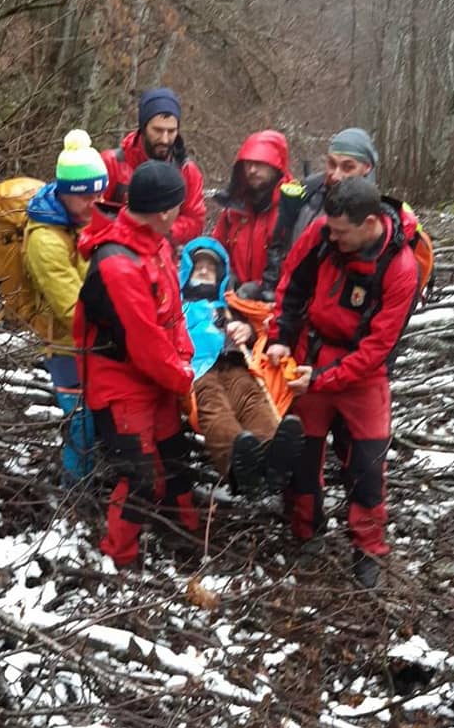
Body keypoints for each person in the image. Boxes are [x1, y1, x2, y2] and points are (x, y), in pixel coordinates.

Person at [267, 177, 419, 589]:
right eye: (329, 229)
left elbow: (377, 350)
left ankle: (368, 547)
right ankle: (304, 529)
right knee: (304, 451)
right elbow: (291, 287)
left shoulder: (401, 268)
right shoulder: (321, 237)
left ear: (369, 223)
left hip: (362, 375)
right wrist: (281, 339)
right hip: (312, 353)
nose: (331, 236)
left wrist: (323, 379)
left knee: (368, 464)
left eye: (341, 232)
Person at [74, 160, 199, 567]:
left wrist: (184, 358)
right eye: (179, 206)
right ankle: (119, 557)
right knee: (139, 478)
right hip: (120, 384)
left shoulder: (158, 244)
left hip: (157, 375)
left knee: (176, 458)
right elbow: (144, 339)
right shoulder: (117, 262)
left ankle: (189, 534)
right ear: (165, 211)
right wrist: (182, 378)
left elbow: (173, 313)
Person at [180, 238, 303, 491]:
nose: (204, 270)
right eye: (198, 266)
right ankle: (237, 465)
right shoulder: (178, 306)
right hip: (199, 370)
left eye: (211, 267)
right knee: (214, 407)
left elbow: (259, 330)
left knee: (252, 398)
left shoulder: (231, 305)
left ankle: (272, 456)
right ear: (186, 270)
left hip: (235, 363)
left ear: (221, 275)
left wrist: (247, 329)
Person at [24, 129, 108, 481]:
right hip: (65, 344)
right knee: (82, 421)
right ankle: (74, 495)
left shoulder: (79, 220)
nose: (96, 202)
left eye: (100, 192)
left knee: (95, 416)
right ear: (66, 192)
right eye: (86, 196)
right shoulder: (46, 240)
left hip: (91, 340)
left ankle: (88, 479)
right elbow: (73, 309)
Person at [100, 87, 205, 248]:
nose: (164, 139)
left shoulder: (187, 171)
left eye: (171, 131)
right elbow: (91, 212)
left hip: (162, 256)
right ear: (143, 127)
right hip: (115, 251)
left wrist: (161, 230)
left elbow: (195, 221)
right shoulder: (111, 163)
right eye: (157, 130)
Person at [211, 130, 297, 302]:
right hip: (234, 301)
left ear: (276, 166)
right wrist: (225, 273)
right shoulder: (235, 207)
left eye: (260, 163)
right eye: (248, 163)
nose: (252, 170)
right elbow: (217, 247)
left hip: (274, 305)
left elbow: (297, 267)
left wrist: (261, 288)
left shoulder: (293, 207)